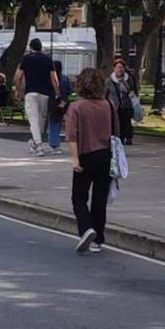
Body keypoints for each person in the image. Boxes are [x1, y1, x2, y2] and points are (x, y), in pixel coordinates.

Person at [66, 66, 116, 254]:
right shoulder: (108, 105)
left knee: (78, 196)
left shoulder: (76, 107)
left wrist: (75, 159)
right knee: (99, 198)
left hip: (86, 154)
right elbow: (115, 132)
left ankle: (86, 228)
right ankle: (98, 239)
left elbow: (72, 136)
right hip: (105, 155)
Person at [14, 37, 59, 156]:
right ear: (40, 47)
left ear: (30, 47)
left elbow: (18, 77)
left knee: (33, 121)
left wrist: (18, 90)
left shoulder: (26, 59)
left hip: (31, 92)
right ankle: (34, 142)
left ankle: (39, 146)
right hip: (45, 94)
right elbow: (54, 79)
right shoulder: (48, 59)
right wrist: (58, 93)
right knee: (41, 121)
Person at [106, 57, 137, 145]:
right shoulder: (109, 81)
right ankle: (116, 143)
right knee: (115, 126)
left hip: (126, 106)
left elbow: (134, 91)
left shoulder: (129, 79)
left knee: (125, 125)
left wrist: (126, 88)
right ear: (114, 68)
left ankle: (124, 140)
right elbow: (106, 94)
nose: (120, 69)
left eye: (121, 67)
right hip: (114, 107)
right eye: (118, 67)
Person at [46, 58, 72, 155]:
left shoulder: (49, 78)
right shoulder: (65, 78)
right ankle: (55, 143)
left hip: (52, 102)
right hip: (63, 103)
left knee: (52, 123)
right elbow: (70, 91)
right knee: (58, 123)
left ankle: (53, 144)